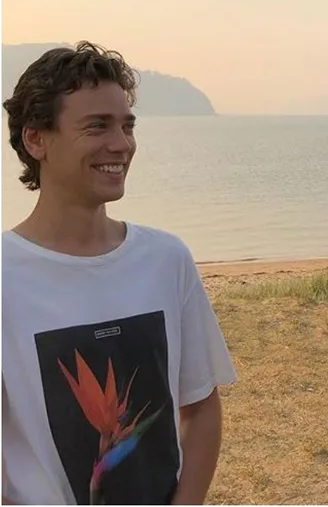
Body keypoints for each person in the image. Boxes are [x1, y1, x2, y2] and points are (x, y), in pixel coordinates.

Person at [1, 42, 237, 505]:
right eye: (97, 127)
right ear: (36, 139)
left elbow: (202, 406)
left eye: (127, 127)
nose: (121, 144)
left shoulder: (166, 259)